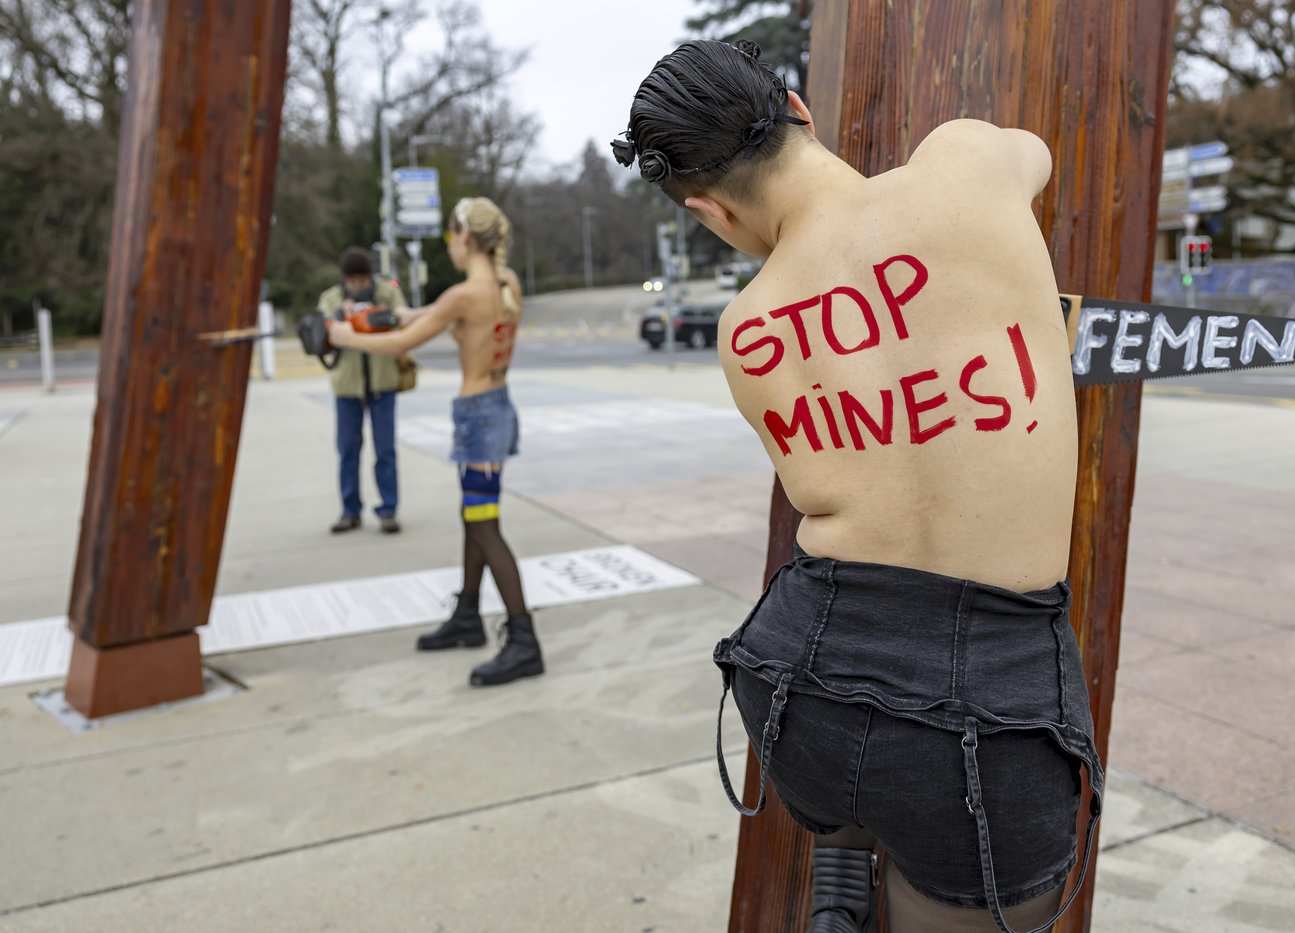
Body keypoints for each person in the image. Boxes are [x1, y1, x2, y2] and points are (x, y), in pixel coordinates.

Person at [614, 40, 1102, 933]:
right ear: (798, 107)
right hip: (985, 708)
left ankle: (843, 872)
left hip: (801, 683)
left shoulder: (747, 328)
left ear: (707, 209)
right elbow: (1031, 154)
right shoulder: (964, 166)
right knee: (942, 847)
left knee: (860, 776)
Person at [326, 198, 544, 688]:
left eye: (450, 237)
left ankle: (524, 640)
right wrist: (407, 312)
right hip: (497, 409)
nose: (449, 246)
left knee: (485, 527)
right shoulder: (506, 284)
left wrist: (341, 334)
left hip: (478, 420)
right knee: (474, 518)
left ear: (463, 236)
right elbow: (433, 317)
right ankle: (468, 616)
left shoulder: (464, 294)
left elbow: (400, 344)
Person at [317, 247, 408, 535]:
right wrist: (340, 317)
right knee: (348, 450)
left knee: (385, 450)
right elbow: (321, 336)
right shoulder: (331, 298)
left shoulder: (387, 293)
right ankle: (350, 510)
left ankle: (388, 509)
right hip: (347, 386)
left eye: (362, 278)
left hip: (382, 383)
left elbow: (402, 320)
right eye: (352, 278)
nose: (358, 283)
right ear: (344, 278)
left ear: (370, 275)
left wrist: (375, 316)